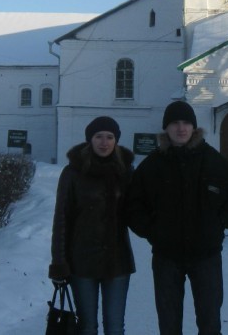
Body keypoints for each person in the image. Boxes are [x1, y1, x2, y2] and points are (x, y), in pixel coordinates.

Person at [127, 100, 228, 335]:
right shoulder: (153, 165)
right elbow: (133, 204)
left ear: (194, 127)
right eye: (175, 123)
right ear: (166, 128)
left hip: (206, 256)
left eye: (186, 123)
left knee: (209, 322)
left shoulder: (213, 161)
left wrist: (222, 222)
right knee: (169, 323)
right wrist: (151, 230)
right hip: (166, 257)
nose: (181, 128)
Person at [49, 116, 135, 335]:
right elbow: (61, 219)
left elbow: (138, 209)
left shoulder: (125, 172)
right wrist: (59, 262)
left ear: (116, 140)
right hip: (82, 262)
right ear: (90, 139)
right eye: (98, 136)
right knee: (87, 326)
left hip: (117, 261)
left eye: (109, 137)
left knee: (115, 327)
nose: (104, 142)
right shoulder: (73, 172)